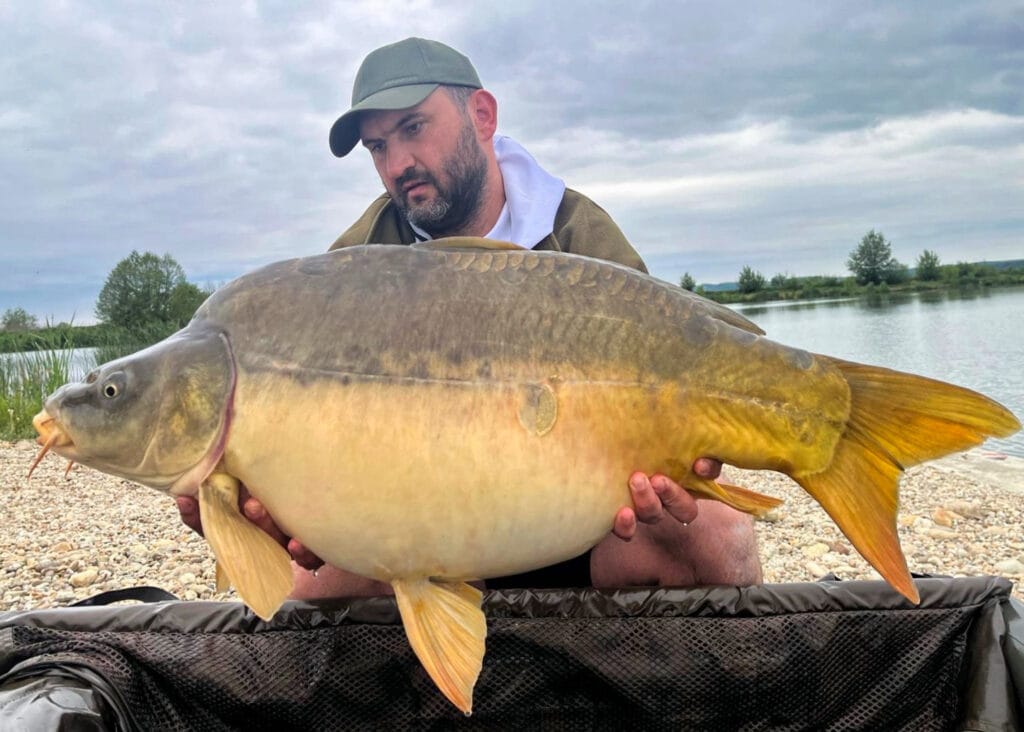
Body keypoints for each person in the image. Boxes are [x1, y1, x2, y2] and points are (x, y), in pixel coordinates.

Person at [177, 37, 761, 599]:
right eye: (378, 147)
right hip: (427, 533)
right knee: (311, 588)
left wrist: (690, 462)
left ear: (481, 114)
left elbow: (684, 384)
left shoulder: (580, 236)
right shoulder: (354, 268)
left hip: (586, 525)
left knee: (717, 539)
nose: (399, 162)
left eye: (413, 128)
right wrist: (275, 519)